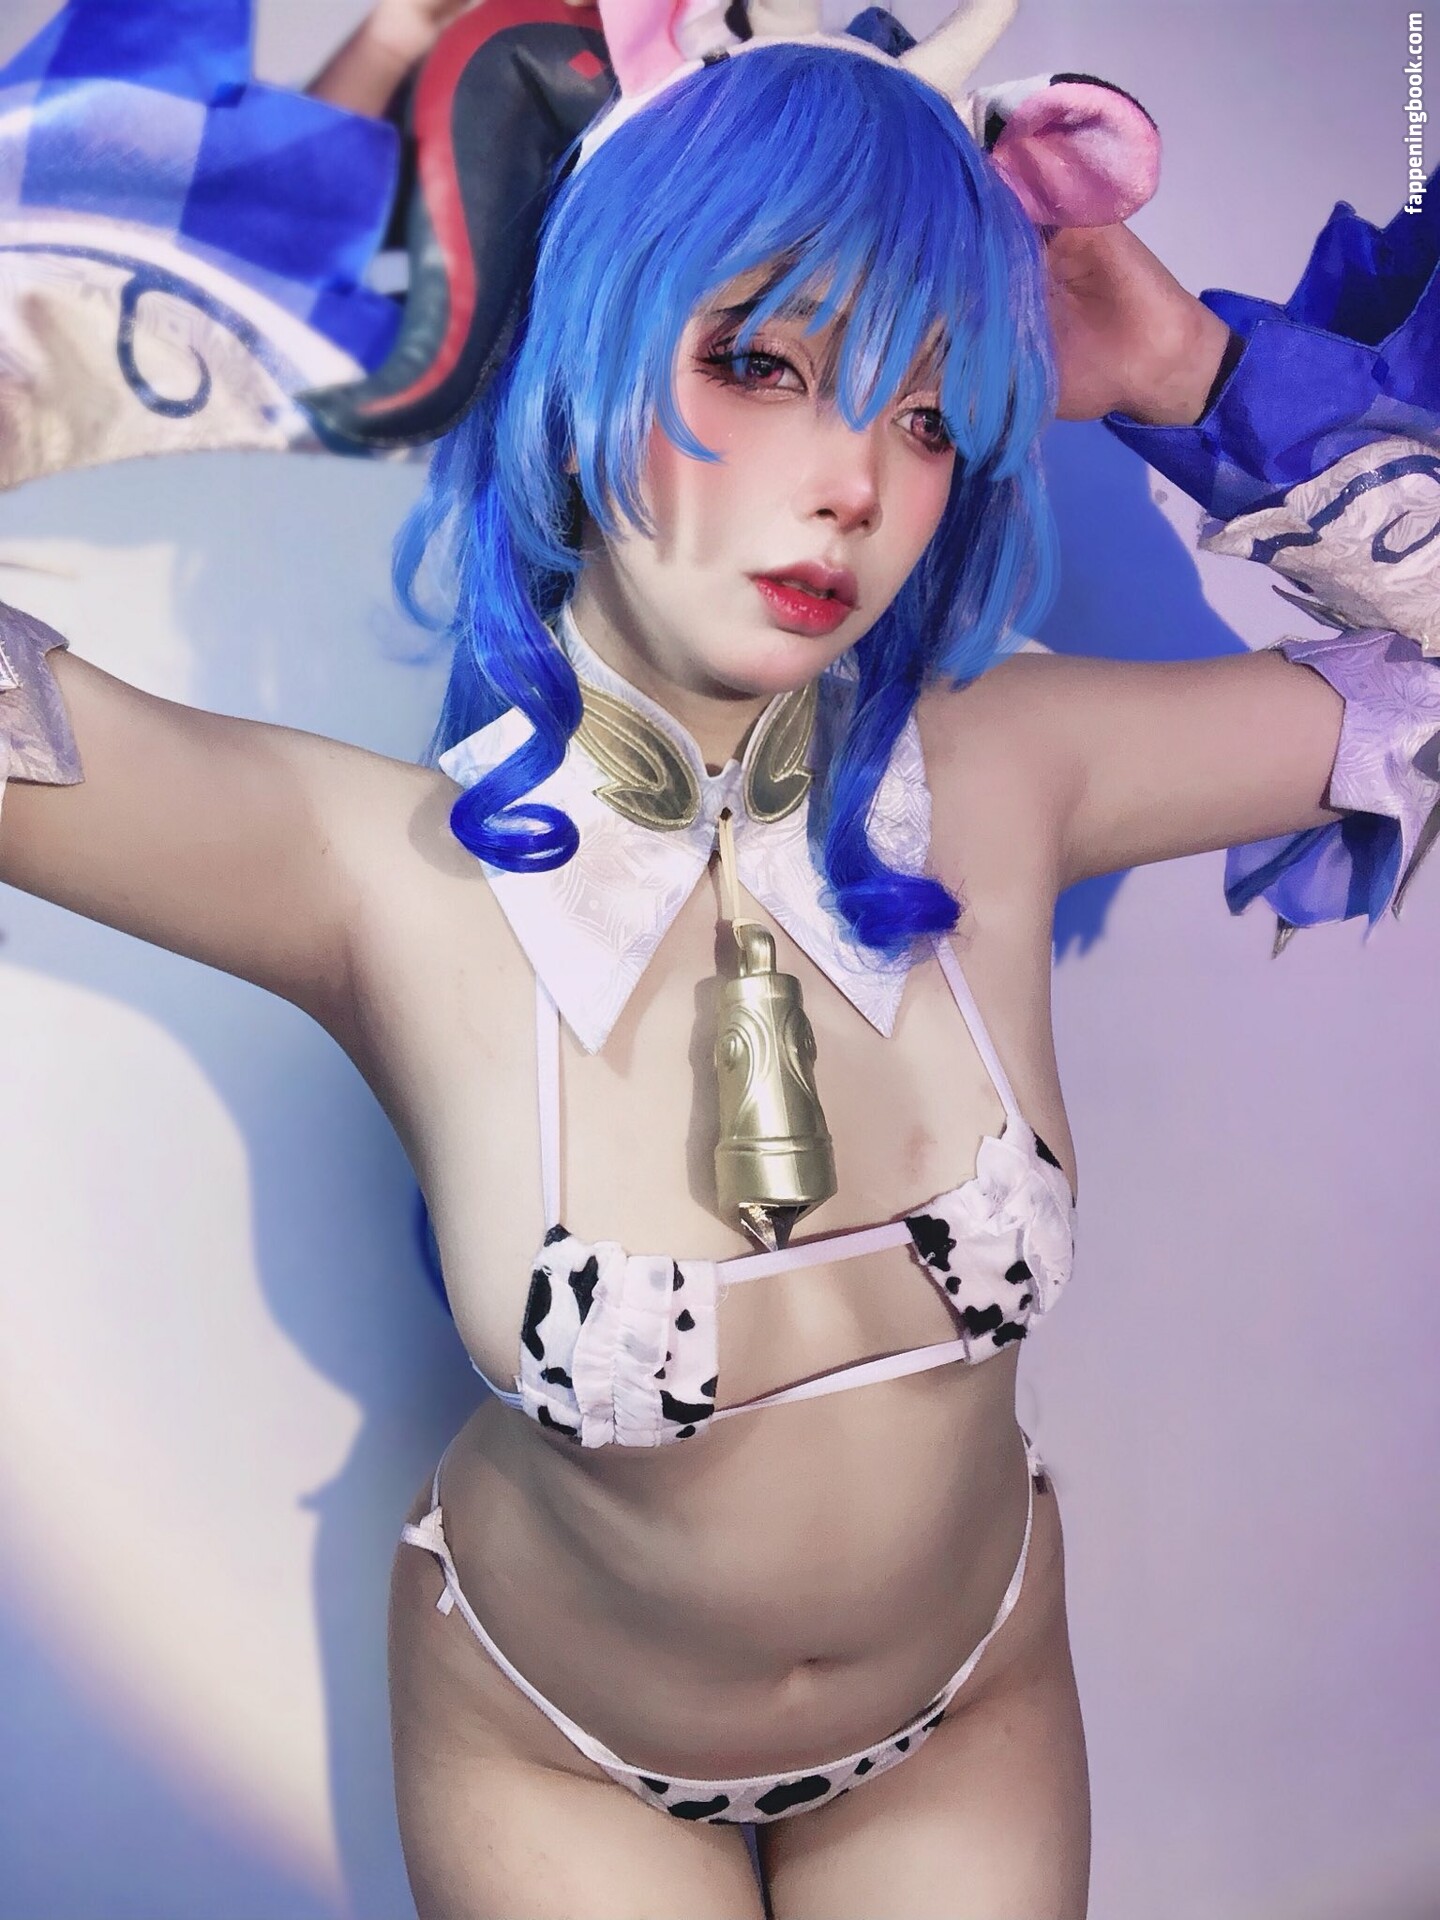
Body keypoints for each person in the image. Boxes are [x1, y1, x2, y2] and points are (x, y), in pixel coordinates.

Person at [1, 3, 1434, 1917]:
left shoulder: (1015, 769)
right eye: (762, 360)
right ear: (583, 356)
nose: (857, 482)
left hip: (972, 1701)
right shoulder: (370, 874)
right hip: (555, 1743)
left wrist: (1189, 371)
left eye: (928, 409)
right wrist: (117, 339)